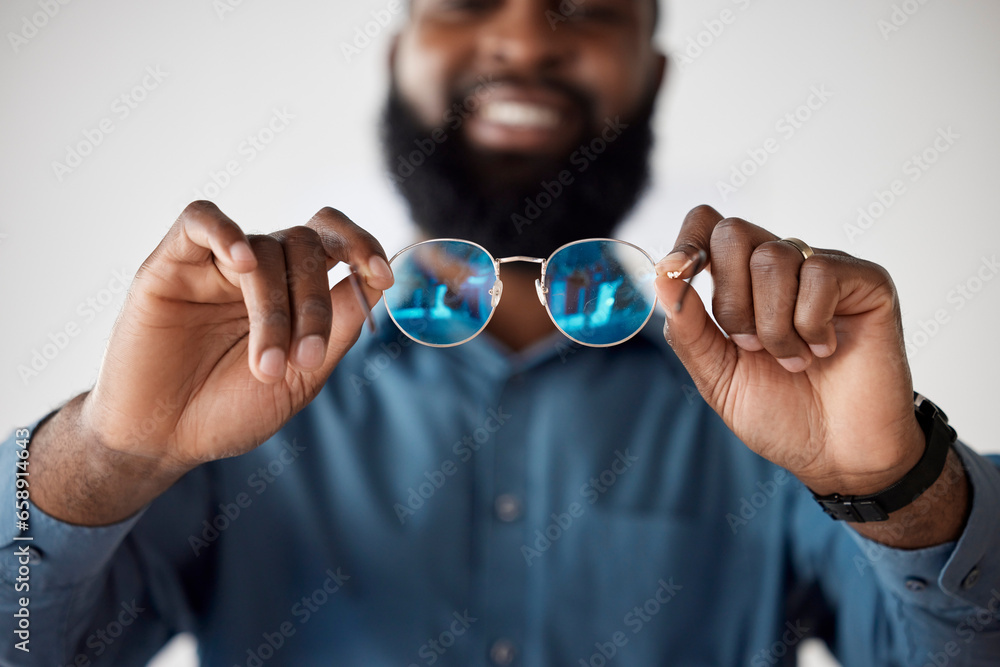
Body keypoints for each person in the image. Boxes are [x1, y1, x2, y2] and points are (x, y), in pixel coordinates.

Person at [2, 1, 999, 665]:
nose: (524, 39)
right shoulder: (233, 399)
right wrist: (110, 453)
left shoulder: (780, 403)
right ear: (399, 54)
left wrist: (897, 485)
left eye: (588, 4)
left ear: (650, 74)